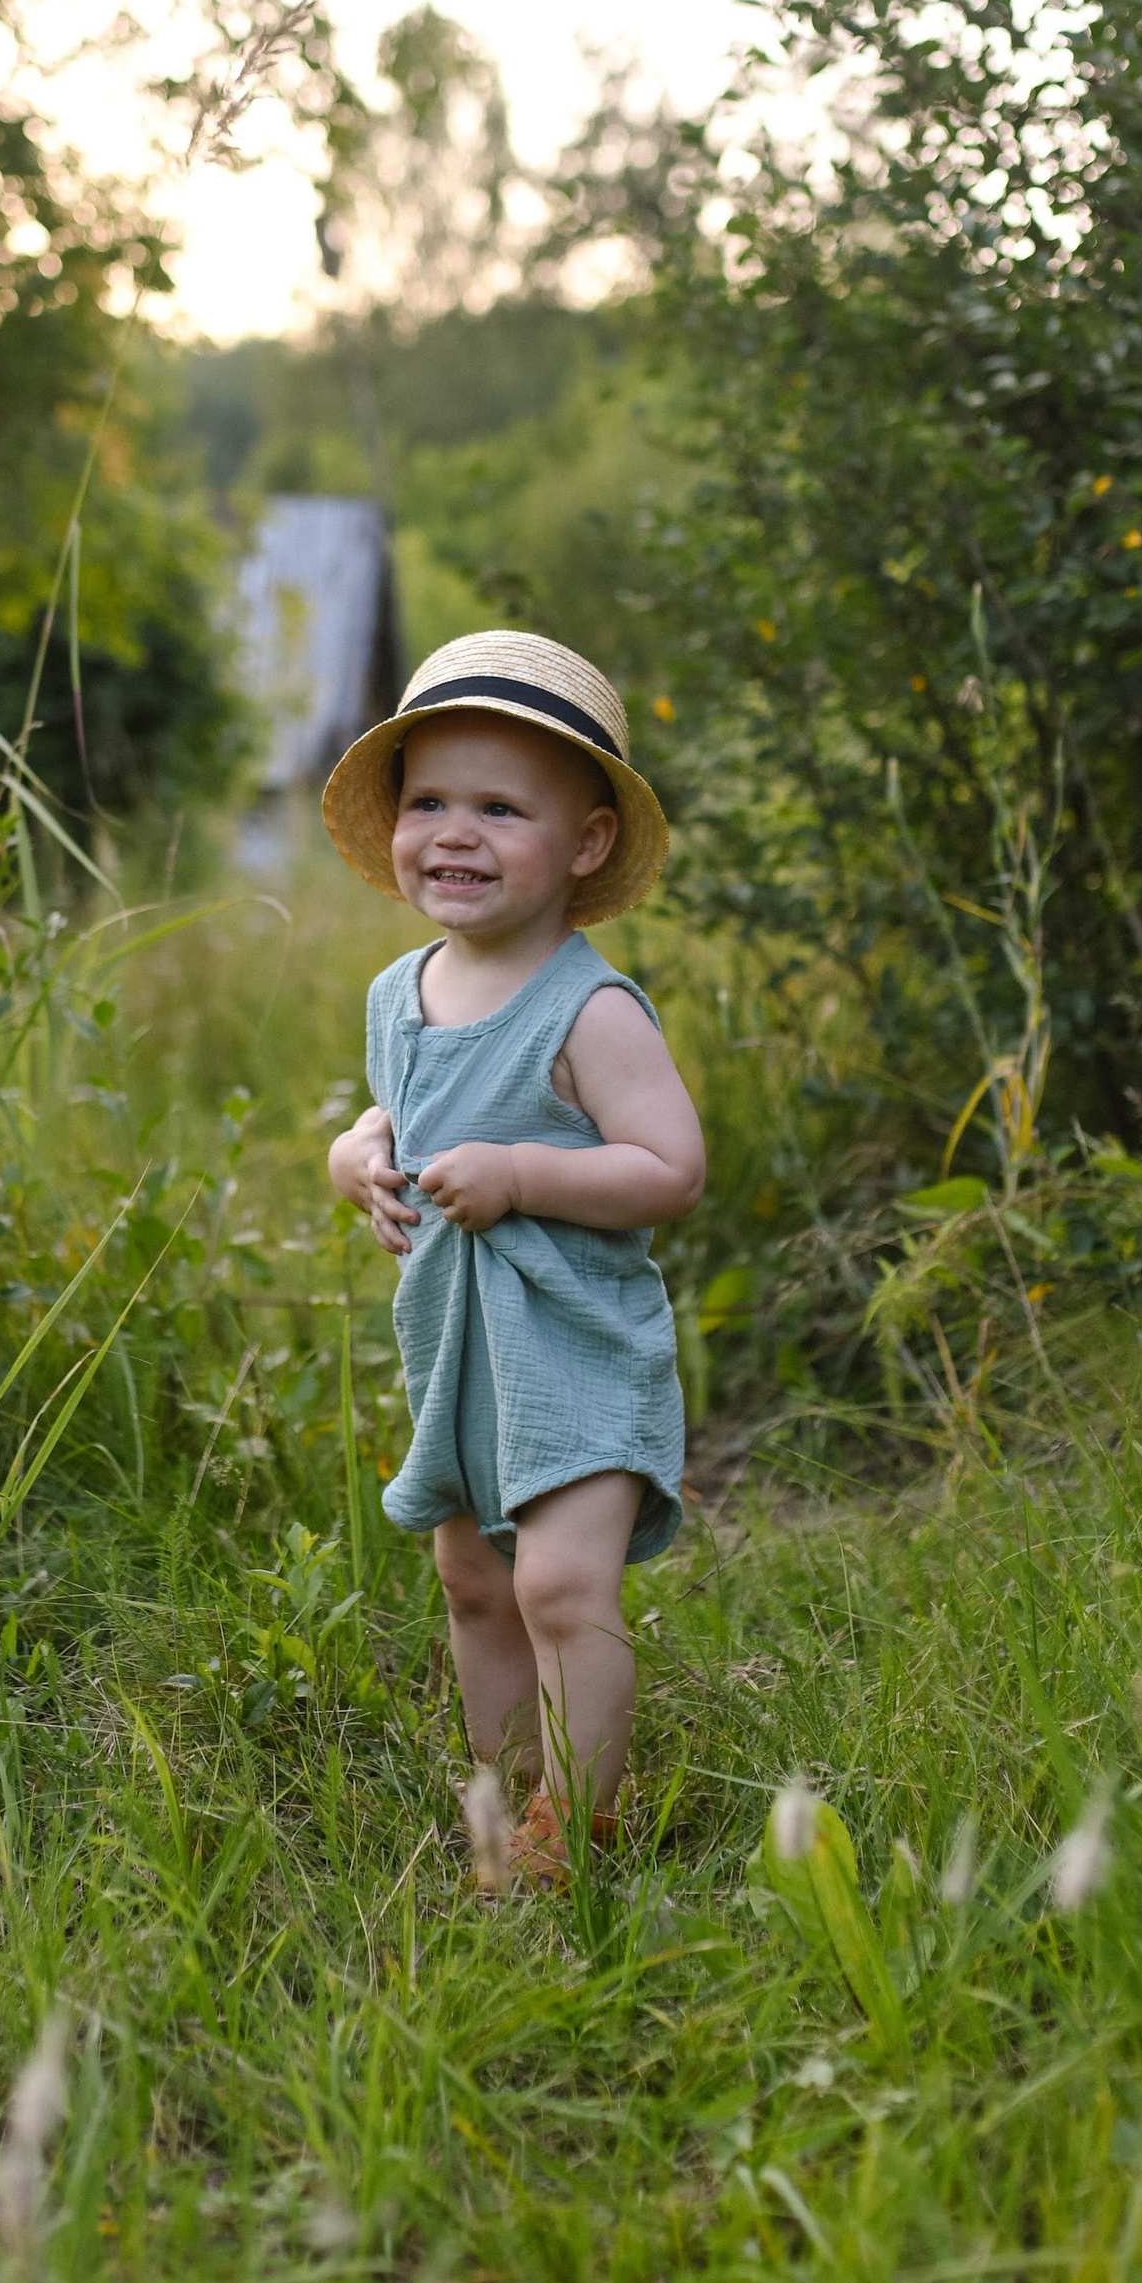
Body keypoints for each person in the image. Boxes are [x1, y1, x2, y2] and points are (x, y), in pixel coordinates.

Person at [322, 631, 705, 1890]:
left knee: (556, 1583)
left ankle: (578, 1826)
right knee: (472, 1575)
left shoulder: (589, 1009)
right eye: (428, 801)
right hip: (459, 1351)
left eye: (501, 807)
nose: (455, 833)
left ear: (586, 843)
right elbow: (398, 1107)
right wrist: (359, 1147)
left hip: (577, 1346)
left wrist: (523, 1171)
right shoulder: (399, 991)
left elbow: (668, 1167)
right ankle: (505, 1797)